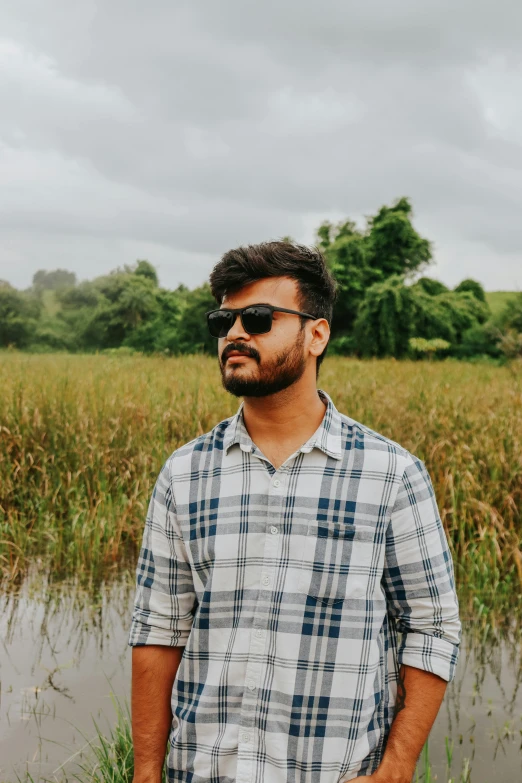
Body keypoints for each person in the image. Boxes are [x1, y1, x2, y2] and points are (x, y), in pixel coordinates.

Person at [128, 241, 461, 783]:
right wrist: (146, 773)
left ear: (317, 334)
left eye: (258, 318)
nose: (235, 333)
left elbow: (432, 625)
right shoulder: (184, 474)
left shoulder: (391, 474)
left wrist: (397, 766)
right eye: (224, 319)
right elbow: (158, 631)